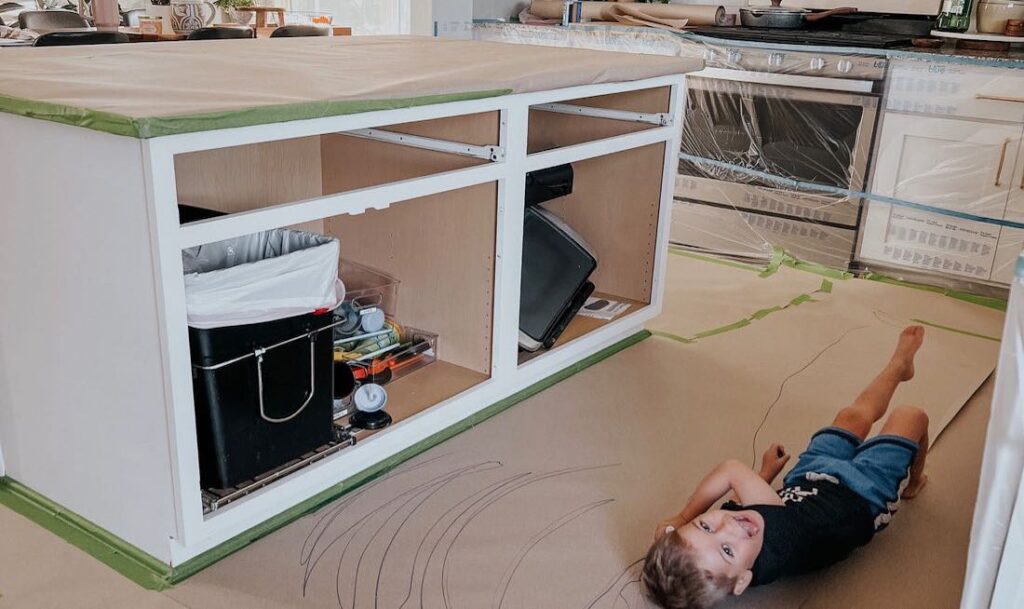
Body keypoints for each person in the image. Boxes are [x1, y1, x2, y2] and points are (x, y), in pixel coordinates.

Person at [642, 326, 930, 609]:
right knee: (911, 416)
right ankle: (915, 482)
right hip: (862, 495)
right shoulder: (782, 541)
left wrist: (767, 473)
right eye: (727, 550)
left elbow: (747, 506)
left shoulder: (742, 538)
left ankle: (900, 366)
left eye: (704, 525)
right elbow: (731, 470)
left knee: (852, 416)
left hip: (809, 478)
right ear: (743, 581)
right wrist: (683, 516)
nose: (727, 527)